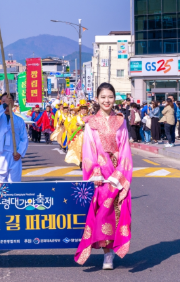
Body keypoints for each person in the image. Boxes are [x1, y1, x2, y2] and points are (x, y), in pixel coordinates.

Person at [74, 83, 132, 270]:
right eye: (103, 97)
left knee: (116, 214)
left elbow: (125, 150)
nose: (107, 100)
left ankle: (110, 254)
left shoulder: (121, 121)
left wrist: (119, 175)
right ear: (97, 99)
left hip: (117, 175)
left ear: (114, 99)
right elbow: (88, 151)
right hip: (100, 177)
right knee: (101, 216)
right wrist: (94, 174)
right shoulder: (91, 123)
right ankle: (107, 253)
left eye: (110, 97)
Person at [0, 93, 28, 182]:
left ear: (13, 102)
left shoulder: (19, 120)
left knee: (14, 185)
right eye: (3, 101)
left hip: (14, 155)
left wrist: (20, 152)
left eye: (9, 101)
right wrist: (5, 104)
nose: (6, 103)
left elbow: (24, 139)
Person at [65, 100, 88, 167]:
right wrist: (76, 126)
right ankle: (81, 162)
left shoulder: (90, 117)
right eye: (82, 108)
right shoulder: (76, 118)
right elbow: (71, 128)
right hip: (79, 137)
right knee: (80, 150)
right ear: (80, 109)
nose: (83, 110)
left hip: (88, 137)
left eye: (85, 108)